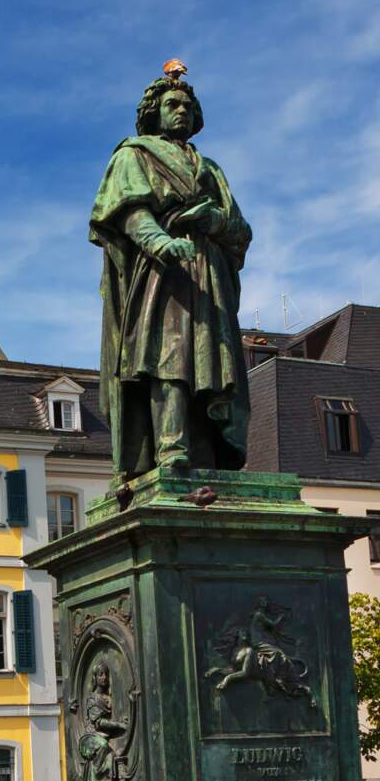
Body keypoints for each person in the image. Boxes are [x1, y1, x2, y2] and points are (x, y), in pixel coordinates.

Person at [90, 60, 252, 478]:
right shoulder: (134, 154)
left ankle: (205, 455)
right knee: (168, 358)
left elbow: (240, 229)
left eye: (186, 105)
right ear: (154, 113)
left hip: (208, 271)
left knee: (211, 363)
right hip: (160, 273)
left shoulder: (211, 169)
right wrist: (161, 242)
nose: (180, 110)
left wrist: (212, 221)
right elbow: (129, 212)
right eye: (172, 104)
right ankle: (170, 449)